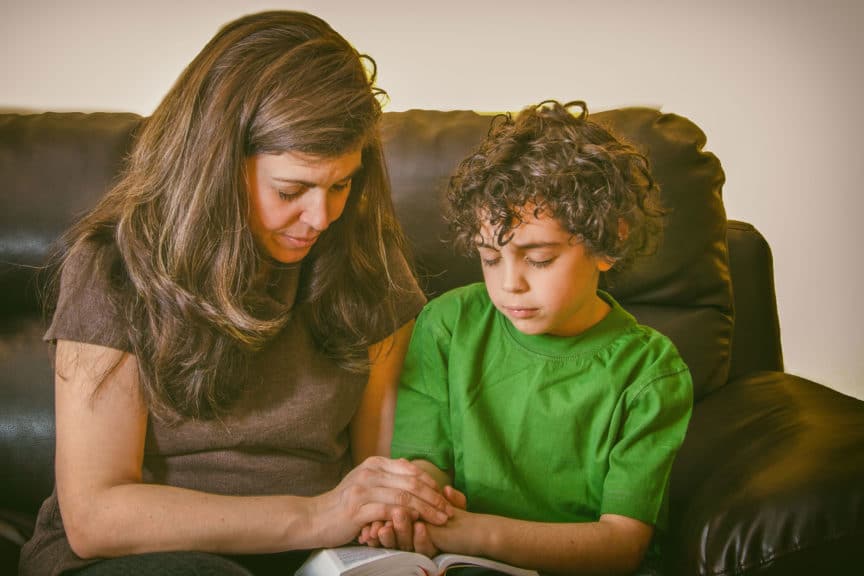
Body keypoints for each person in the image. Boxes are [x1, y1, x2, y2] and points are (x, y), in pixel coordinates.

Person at [18, 11, 455, 576]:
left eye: (341, 184)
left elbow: (382, 466)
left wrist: (399, 508)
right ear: (218, 167)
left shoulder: (366, 261)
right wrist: (318, 515)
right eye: (291, 189)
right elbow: (97, 515)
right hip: (146, 560)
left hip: (317, 560)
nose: (320, 216)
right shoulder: (113, 266)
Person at [362, 101, 693, 575]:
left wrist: (468, 530)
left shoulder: (650, 372)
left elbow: (622, 545)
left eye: (538, 258)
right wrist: (412, 509)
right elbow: (425, 465)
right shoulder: (448, 325)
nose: (509, 284)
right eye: (490, 258)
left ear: (608, 242)